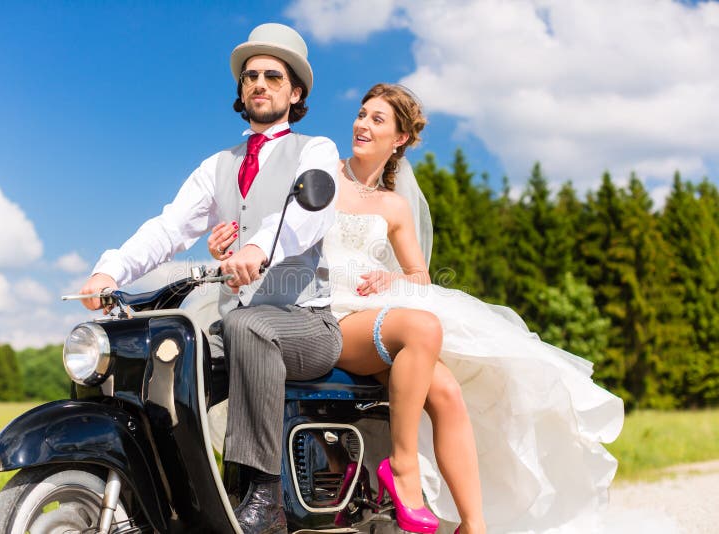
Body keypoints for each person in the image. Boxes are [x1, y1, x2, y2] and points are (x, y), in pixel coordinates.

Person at [209, 83, 625, 534]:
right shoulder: (321, 171)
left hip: (377, 320)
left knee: (446, 394)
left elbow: (420, 277)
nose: (362, 125)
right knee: (422, 328)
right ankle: (403, 470)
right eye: (361, 114)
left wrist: (392, 278)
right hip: (326, 315)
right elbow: (265, 225)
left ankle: (474, 525)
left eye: (377, 120)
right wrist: (225, 240)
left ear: (399, 139)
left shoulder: (395, 206)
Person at [79, 23, 342, 534]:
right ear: (241, 91)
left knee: (250, 327)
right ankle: (158, 494)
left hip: (306, 325)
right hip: (236, 326)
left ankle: (261, 494)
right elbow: (169, 227)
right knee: (160, 353)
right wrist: (109, 269)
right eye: (250, 77)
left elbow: (308, 217)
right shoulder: (217, 165)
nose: (259, 84)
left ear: (295, 91)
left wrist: (255, 248)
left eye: (272, 75)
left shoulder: (316, 151)